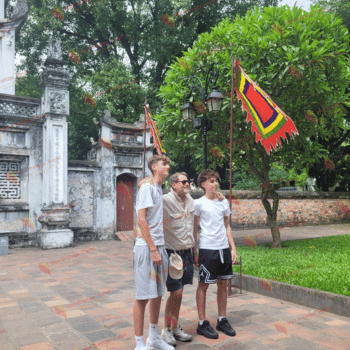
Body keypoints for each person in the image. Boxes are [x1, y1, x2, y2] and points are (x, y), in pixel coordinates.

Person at [133, 154, 174, 350]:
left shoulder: (156, 187)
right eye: (164, 164)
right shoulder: (147, 188)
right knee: (142, 296)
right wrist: (152, 249)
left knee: (157, 294)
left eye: (168, 164)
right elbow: (141, 220)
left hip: (160, 246)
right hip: (147, 248)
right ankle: (139, 343)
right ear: (154, 167)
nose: (168, 167)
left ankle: (153, 337)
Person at [193, 169, 237, 339]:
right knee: (203, 285)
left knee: (223, 284)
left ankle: (222, 319)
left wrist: (233, 247)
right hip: (207, 248)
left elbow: (227, 225)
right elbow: (195, 227)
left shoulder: (223, 202)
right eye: (211, 181)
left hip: (223, 249)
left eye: (216, 180)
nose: (215, 183)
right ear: (203, 184)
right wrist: (194, 250)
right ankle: (202, 322)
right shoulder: (198, 203)